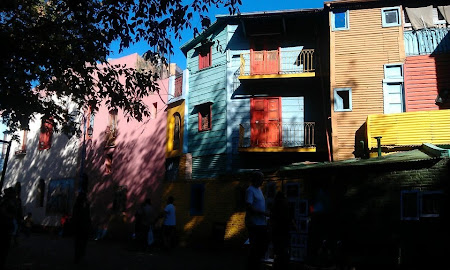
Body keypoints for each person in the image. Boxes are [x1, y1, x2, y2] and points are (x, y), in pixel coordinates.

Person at [245, 170, 269, 270]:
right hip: (254, 223)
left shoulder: (259, 189)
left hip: (262, 222)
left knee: (262, 245)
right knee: (255, 247)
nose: (262, 181)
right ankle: (252, 265)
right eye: (261, 179)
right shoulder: (250, 190)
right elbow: (249, 206)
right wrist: (263, 213)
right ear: (256, 179)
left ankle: (257, 263)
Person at [271, 191, 294, 270]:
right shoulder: (286, 204)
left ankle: (278, 265)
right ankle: (284, 265)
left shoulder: (275, 205)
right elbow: (289, 218)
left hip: (277, 231)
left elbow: (272, 218)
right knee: (284, 250)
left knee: (278, 251)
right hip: (284, 230)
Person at [72, 192, 91, 264]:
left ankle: (79, 257)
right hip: (81, 228)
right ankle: (78, 257)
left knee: (80, 244)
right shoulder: (81, 206)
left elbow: (87, 216)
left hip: (81, 228)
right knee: (80, 244)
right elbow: (87, 217)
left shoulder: (81, 205)